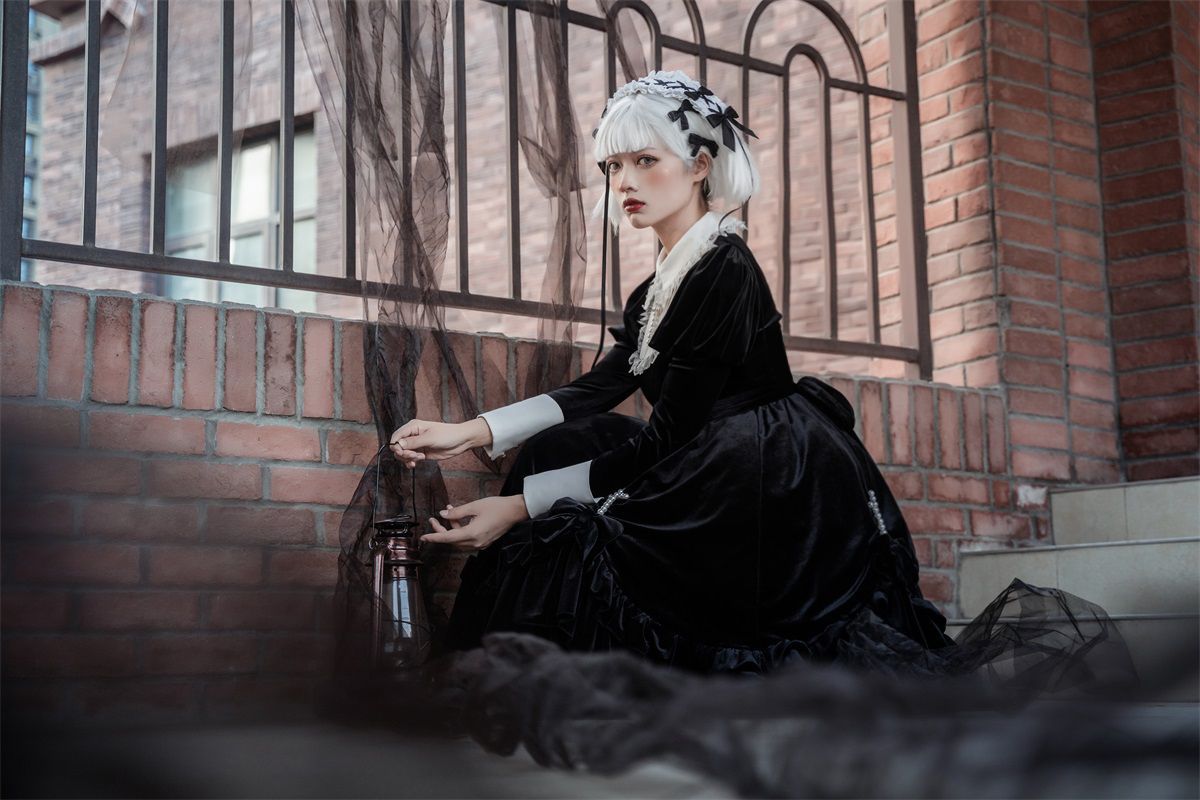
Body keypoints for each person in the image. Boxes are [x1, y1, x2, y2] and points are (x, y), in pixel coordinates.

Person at [385, 70, 1131, 683]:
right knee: (561, 447)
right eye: (613, 166)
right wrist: (469, 432)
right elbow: (603, 386)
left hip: (765, 477)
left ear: (700, 166)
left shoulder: (726, 268)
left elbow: (668, 438)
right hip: (706, 452)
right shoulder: (656, 286)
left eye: (645, 160)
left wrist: (518, 508)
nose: (624, 181)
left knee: (572, 517)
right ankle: (513, 671)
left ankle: (580, 682)